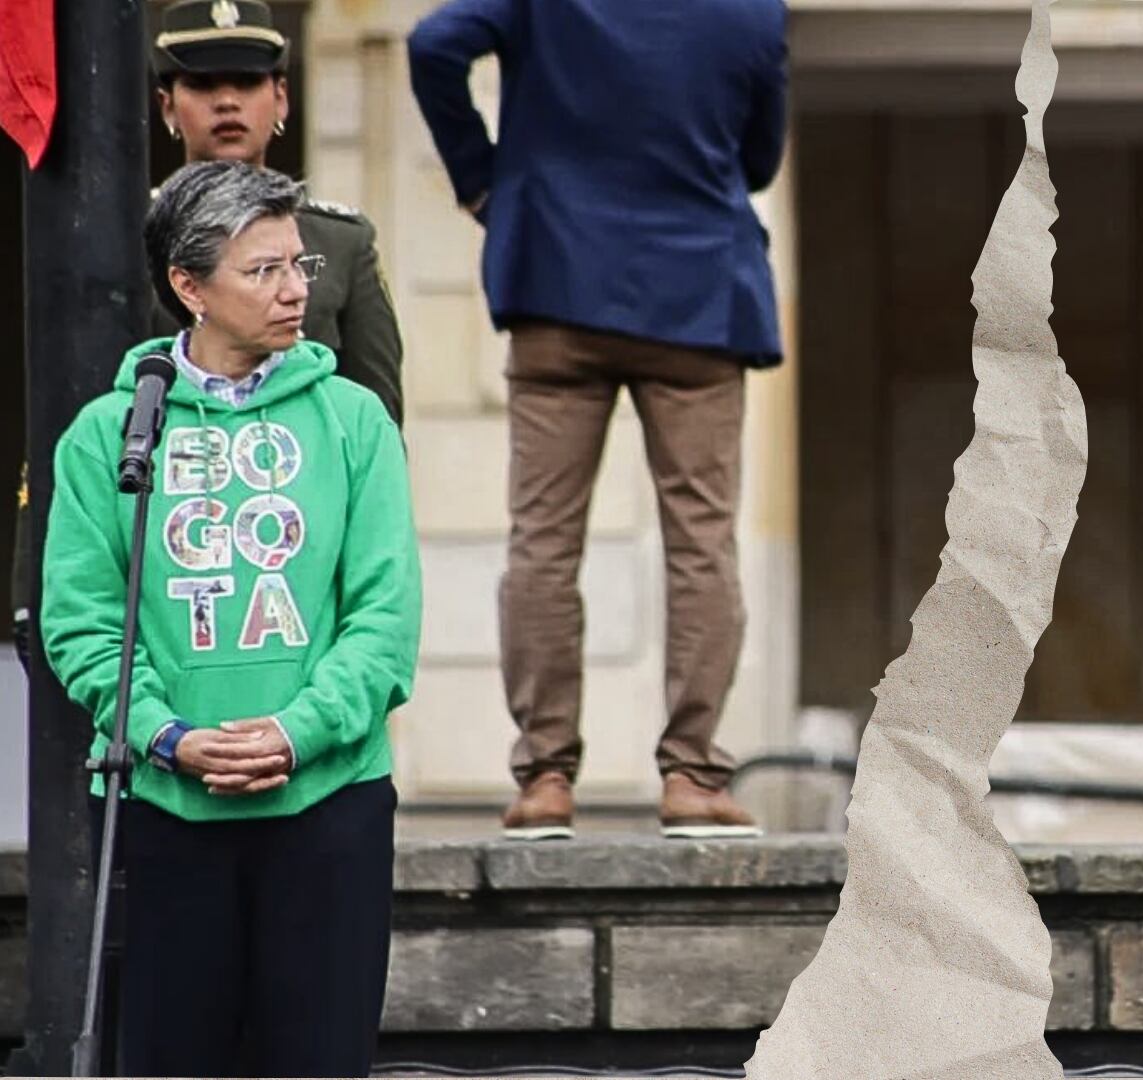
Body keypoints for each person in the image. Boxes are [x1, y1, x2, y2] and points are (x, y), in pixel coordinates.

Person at [38, 161, 421, 1077]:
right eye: (263, 271)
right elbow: (84, 621)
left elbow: (385, 616)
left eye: (299, 266)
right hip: (161, 807)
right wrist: (163, 733)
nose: (295, 290)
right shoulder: (107, 435)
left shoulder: (354, 421)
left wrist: (298, 732)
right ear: (187, 286)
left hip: (330, 806)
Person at [407, 0, 787, 840]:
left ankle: (544, 777)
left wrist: (484, 178)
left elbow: (434, 42)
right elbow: (758, 159)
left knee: (542, 540)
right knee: (702, 543)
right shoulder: (752, 8)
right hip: (699, 303)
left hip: (556, 282)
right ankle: (692, 775)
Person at [11, 0, 404, 675]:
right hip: (161, 554)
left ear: (281, 97)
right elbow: (74, 421)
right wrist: (31, 577)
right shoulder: (117, 239)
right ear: (166, 104)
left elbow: (378, 425)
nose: (227, 101)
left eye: (247, 82)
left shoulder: (338, 244)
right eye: (200, 83)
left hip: (293, 555)